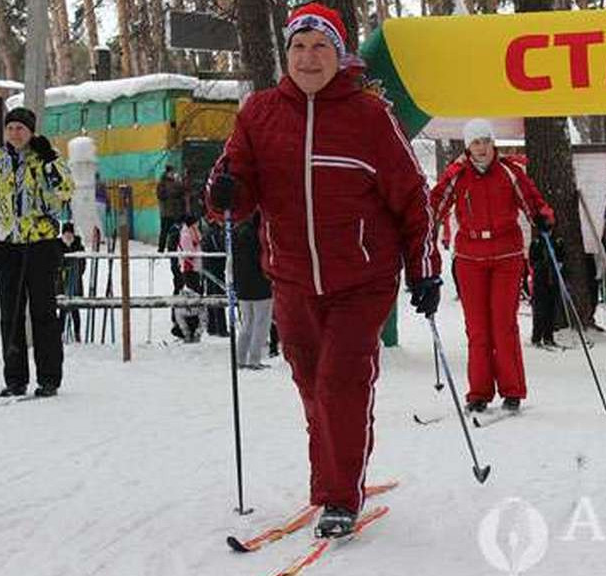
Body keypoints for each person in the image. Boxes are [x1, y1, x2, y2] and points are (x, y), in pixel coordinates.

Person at [205, 2, 441, 540]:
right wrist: (225, 191)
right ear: (286, 53)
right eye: (299, 47)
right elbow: (232, 190)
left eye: (320, 47)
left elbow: (412, 197)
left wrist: (424, 269)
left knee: (340, 382)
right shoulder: (258, 114)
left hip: (361, 280)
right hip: (290, 277)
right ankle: (330, 477)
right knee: (312, 384)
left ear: (339, 54)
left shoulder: (370, 116)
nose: (309, 58)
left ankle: (340, 496)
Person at [430, 118, 555, 414]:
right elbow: (435, 205)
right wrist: (420, 225)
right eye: (476, 142)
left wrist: (542, 217)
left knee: (503, 325)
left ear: (492, 143)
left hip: (506, 256)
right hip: (470, 258)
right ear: (468, 147)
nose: (482, 148)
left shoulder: (510, 172)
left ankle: (512, 390)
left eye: (486, 141)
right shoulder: (457, 175)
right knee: (477, 328)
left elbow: (532, 201)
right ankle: (479, 392)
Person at [0, 107, 74, 397]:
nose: (15, 133)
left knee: (43, 311)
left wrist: (51, 160)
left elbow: (66, 190)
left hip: (39, 242)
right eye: (10, 128)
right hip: (5, 243)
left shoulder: (44, 157)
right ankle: (15, 378)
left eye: (21, 128)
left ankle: (49, 377)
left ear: (31, 132)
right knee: (11, 313)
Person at [235, 212, 274, 369]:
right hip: (261, 286)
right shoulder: (261, 236)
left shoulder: (238, 233)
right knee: (261, 323)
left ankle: (240, 358)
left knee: (247, 323)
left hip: (244, 287)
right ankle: (254, 359)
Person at [529, 233, 562, 349]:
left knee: (551, 309)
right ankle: (536, 337)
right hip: (540, 279)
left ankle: (549, 336)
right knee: (539, 309)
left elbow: (560, 256)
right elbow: (532, 259)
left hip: (552, 279)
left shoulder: (556, 239)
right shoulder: (538, 240)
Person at [57, 222, 85, 342]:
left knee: (74, 309)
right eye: (66, 233)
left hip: (75, 282)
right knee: (63, 309)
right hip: (61, 283)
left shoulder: (78, 245)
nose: (68, 236)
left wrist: (76, 273)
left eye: (70, 233)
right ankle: (61, 333)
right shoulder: (58, 245)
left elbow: (82, 264)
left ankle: (77, 333)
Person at [201, 219, 228, 337]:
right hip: (216, 268)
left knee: (211, 296)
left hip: (209, 267)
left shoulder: (208, 231)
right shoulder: (216, 232)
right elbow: (221, 247)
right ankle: (221, 328)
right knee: (218, 297)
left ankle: (212, 327)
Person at [156, 166, 186, 252]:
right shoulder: (162, 183)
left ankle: (172, 248)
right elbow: (161, 195)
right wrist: (172, 193)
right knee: (164, 232)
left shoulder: (175, 183)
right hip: (166, 212)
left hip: (174, 212)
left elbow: (181, 192)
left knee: (174, 232)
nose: (173, 174)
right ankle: (161, 249)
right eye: (171, 173)